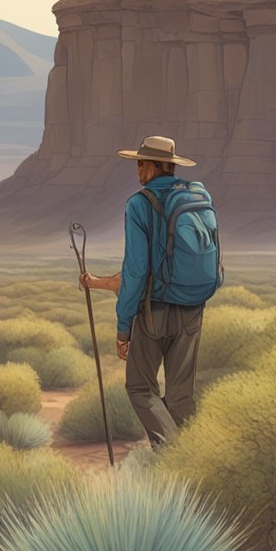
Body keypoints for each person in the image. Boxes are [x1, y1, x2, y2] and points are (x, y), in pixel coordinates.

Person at [80, 135, 219, 447]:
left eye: (141, 163)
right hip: (193, 306)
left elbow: (136, 270)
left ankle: (174, 457)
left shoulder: (140, 203)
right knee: (182, 395)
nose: (138, 169)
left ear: (157, 166)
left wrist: (123, 327)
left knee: (141, 388)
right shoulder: (197, 194)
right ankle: (193, 460)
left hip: (154, 309)